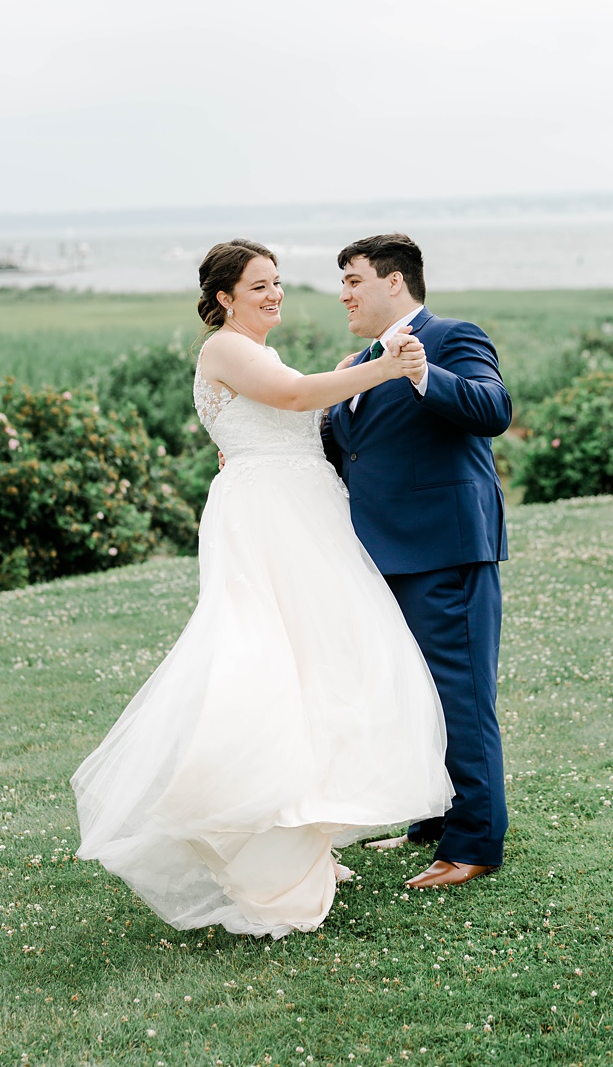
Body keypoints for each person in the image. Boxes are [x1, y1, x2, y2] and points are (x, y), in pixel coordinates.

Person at [71, 239, 453, 940]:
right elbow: (291, 396)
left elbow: (300, 398)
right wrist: (381, 368)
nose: (275, 294)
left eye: (278, 282)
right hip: (267, 519)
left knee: (321, 667)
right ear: (223, 298)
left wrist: (347, 375)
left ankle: (302, 825)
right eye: (258, 286)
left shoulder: (262, 352)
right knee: (265, 663)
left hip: (305, 514)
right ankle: (250, 829)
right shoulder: (223, 349)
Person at [321, 233, 512, 889]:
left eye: (353, 279)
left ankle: (474, 841)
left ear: (394, 283)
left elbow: (493, 407)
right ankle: (430, 820)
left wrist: (420, 369)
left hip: (445, 549)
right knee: (415, 696)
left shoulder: (452, 336)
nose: (342, 293)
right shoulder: (359, 360)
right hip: (381, 556)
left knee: (460, 699)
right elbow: (347, 448)